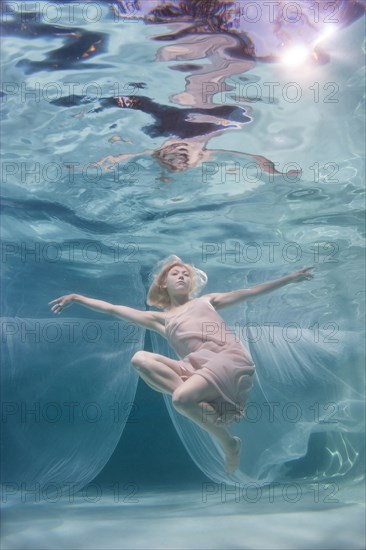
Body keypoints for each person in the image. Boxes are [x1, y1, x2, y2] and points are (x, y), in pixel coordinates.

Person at [49, 255, 314, 474]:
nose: (182, 276)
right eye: (175, 273)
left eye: (186, 274)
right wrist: (77, 297)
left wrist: (290, 278)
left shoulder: (206, 301)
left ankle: (228, 443)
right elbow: (113, 309)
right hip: (197, 370)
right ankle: (201, 406)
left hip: (229, 361)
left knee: (180, 400)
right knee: (139, 360)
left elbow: (249, 293)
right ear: (163, 283)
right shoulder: (161, 319)